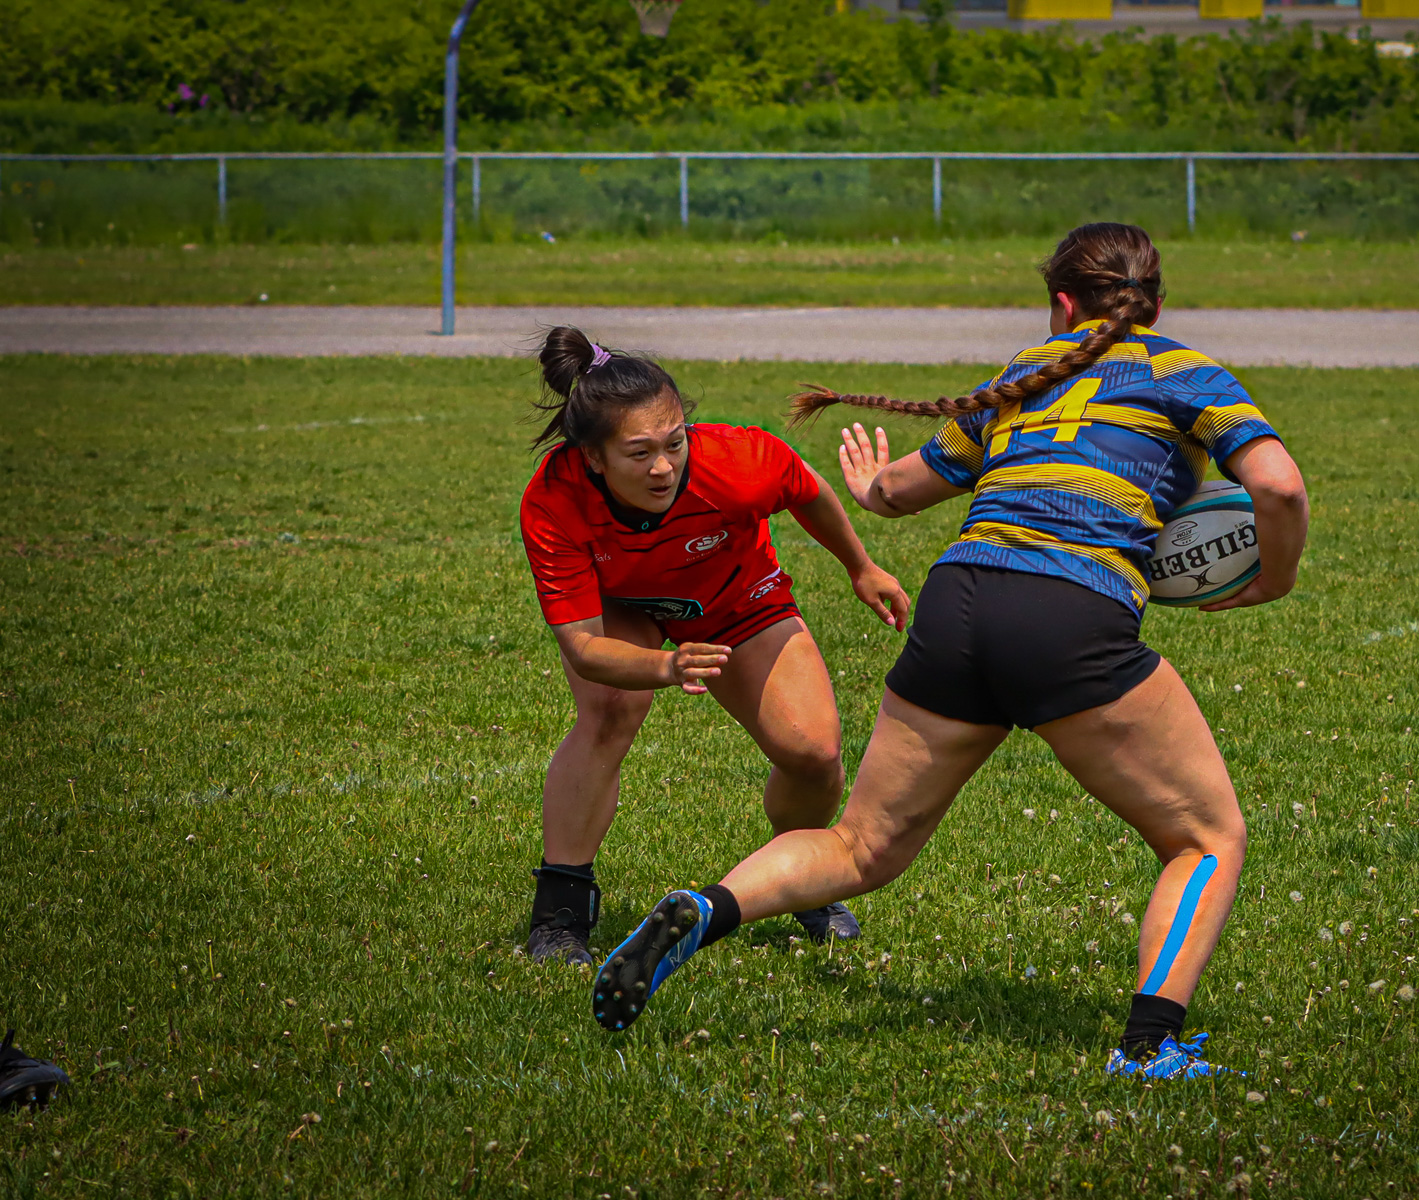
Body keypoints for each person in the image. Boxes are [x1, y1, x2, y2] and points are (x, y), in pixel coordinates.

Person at [590, 224, 1309, 1079]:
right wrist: (1273, 579)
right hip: (1068, 612)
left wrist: (867, 489)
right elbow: (1277, 484)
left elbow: (900, 492)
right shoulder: (1188, 374)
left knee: (862, 846)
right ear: (1156, 303)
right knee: (1205, 836)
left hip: (959, 600)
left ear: (1062, 304)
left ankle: (707, 908)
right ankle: (1150, 1050)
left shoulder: (1023, 375)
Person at [517, 327, 910, 965]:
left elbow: (807, 489)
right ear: (593, 457)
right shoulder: (554, 499)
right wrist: (665, 664)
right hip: (623, 605)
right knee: (609, 711)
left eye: (674, 443)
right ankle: (560, 912)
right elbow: (587, 647)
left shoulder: (735, 462)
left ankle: (804, 874)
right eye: (639, 452)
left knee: (813, 752)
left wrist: (860, 567)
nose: (664, 466)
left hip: (733, 594)